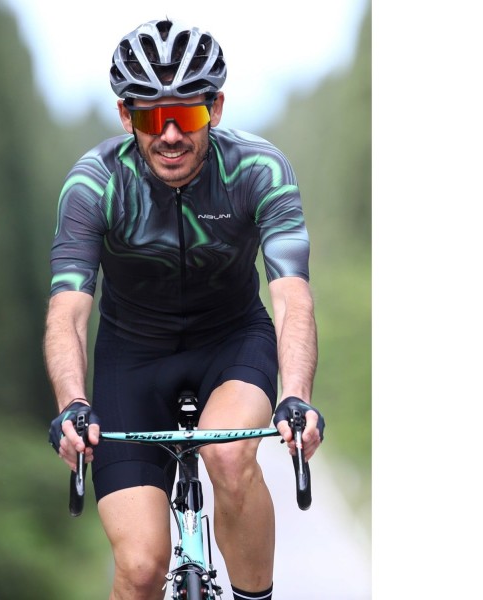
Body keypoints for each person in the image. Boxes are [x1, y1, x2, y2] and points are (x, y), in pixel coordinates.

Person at [45, 18, 325, 600]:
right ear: (126, 117)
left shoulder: (258, 170)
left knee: (229, 454)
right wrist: (72, 402)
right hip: (131, 357)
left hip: (232, 341)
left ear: (215, 108)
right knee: (140, 568)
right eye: (152, 117)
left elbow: (291, 293)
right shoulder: (95, 184)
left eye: (187, 115)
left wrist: (296, 395)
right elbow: (68, 311)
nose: (170, 134)